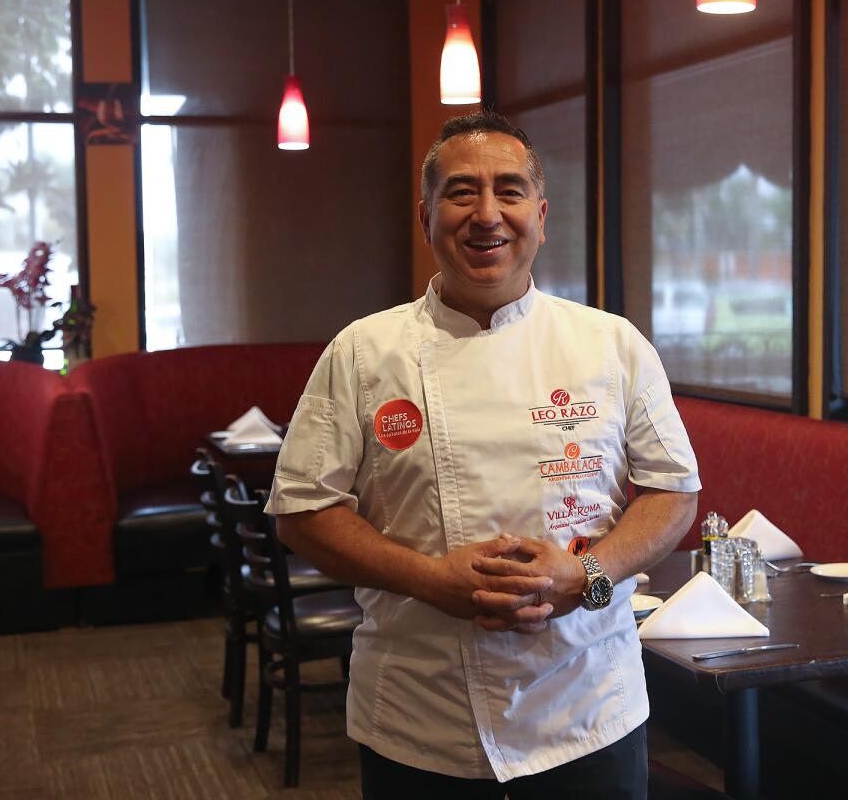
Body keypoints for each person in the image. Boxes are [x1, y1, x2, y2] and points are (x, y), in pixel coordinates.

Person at [266, 110, 700, 799]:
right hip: (419, 713)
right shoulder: (362, 351)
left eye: (510, 190)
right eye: (462, 192)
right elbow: (302, 509)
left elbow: (674, 490)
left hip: (587, 705)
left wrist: (585, 572)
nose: (487, 214)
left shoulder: (612, 344)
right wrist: (429, 579)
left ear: (541, 212)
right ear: (426, 215)